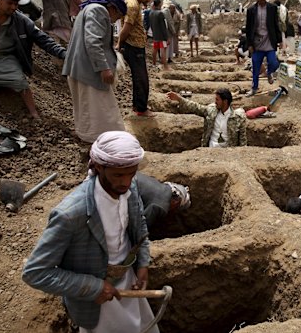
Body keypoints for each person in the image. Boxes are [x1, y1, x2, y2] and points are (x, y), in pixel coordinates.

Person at [22, 131, 159, 333]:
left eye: (132, 174)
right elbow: (35, 273)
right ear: (97, 166)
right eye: (118, 175)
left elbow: (140, 229)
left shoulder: (129, 190)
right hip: (96, 302)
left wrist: (143, 264)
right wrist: (93, 287)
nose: (126, 182)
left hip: (128, 283)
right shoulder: (70, 214)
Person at [62, 0, 127, 143]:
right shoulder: (98, 10)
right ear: (112, 8)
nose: (116, 20)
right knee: (102, 108)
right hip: (89, 70)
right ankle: (107, 141)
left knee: (86, 106)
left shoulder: (87, 9)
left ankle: (87, 135)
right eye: (118, 15)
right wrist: (104, 68)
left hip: (79, 67)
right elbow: (92, 41)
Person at [117, 0, 156, 117]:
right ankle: (141, 109)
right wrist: (119, 45)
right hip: (133, 46)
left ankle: (137, 106)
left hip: (135, 45)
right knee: (141, 78)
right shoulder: (133, 6)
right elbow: (126, 29)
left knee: (137, 77)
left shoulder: (133, 2)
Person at [165, 88, 247, 147]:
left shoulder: (238, 118)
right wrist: (179, 99)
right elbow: (195, 107)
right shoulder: (211, 111)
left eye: (217, 100)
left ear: (225, 101)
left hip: (228, 154)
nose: (215, 102)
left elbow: (243, 141)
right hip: (210, 151)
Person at [245, 0, 282, 96]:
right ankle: (254, 88)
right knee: (256, 66)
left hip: (269, 41)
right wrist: (249, 44)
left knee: (274, 63)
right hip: (257, 43)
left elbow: (276, 25)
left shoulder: (272, 8)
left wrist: (279, 40)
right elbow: (248, 28)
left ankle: (269, 72)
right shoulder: (251, 10)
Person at [135, 172, 191, 239]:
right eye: (176, 208)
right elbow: (141, 226)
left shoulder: (155, 182)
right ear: (176, 201)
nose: (171, 211)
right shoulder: (161, 205)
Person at [149, 0, 169, 71]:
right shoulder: (160, 13)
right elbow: (163, 27)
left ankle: (154, 64)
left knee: (155, 50)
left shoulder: (151, 13)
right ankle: (166, 67)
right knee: (163, 50)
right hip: (161, 36)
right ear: (159, 4)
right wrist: (166, 37)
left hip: (155, 35)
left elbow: (151, 25)